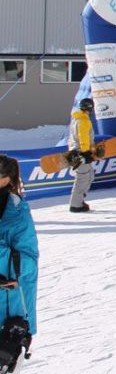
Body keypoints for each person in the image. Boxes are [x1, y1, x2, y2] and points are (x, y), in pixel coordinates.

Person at [0, 155, 37, 369]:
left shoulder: (17, 210)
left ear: (7, 178)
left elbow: (28, 259)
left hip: (9, 303)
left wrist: (10, 274)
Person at [66, 98, 96, 213]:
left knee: (89, 176)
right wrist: (85, 153)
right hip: (81, 153)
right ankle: (76, 205)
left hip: (76, 151)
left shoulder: (76, 118)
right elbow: (83, 137)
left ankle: (79, 200)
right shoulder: (83, 120)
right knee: (83, 178)